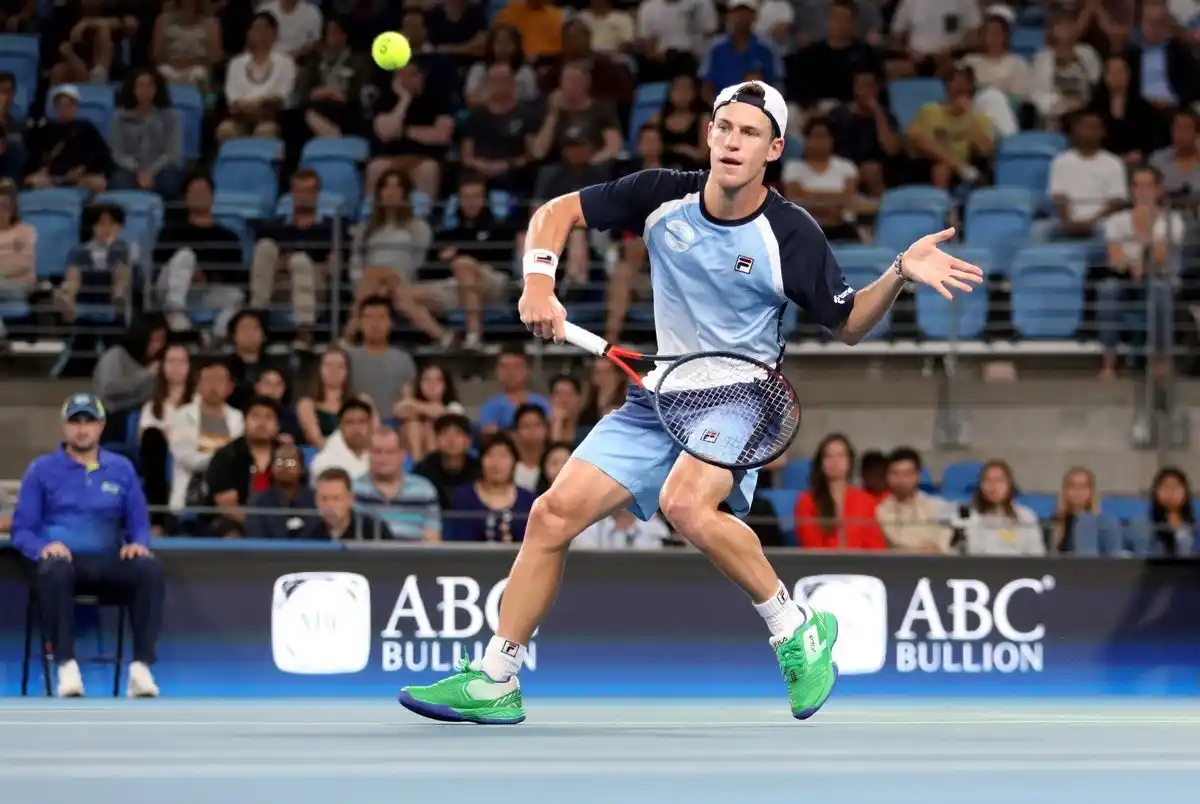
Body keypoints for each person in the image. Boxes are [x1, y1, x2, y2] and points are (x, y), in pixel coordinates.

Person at [398, 80, 982, 724]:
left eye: (750, 133)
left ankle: (795, 628)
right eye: (725, 127)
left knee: (683, 503)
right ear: (709, 134)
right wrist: (539, 281)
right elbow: (556, 213)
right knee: (551, 515)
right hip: (660, 394)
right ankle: (495, 678)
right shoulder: (659, 196)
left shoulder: (790, 233)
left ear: (774, 149)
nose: (734, 141)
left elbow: (846, 323)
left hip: (743, 395)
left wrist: (898, 271)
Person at [10, 393, 164, 698]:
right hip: (62, 565)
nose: (82, 429)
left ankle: (141, 669)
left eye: (89, 421)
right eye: (75, 422)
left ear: (101, 426)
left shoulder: (121, 469)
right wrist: (44, 547)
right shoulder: (41, 470)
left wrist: (138, 544)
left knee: (149, 569)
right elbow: (22, 530)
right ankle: (66, 667)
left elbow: (139, 523)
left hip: (107, 562)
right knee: (55, 571)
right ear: (64, 427)